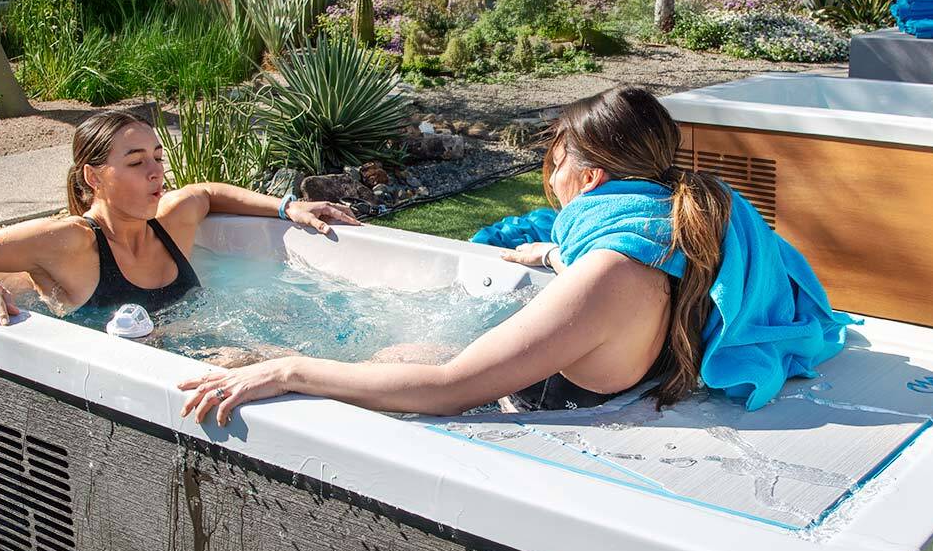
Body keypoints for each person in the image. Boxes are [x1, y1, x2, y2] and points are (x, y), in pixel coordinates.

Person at [179, 85, 848, 423]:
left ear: (590, 180)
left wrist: (290, 371)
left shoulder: (612, 272)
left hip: (515, 408)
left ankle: (256, 361)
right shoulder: (682, 224)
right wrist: (551, 256)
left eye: (554, 164)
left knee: (366, 361)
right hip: (579, 378)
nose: (549, 181)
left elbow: (448, 390)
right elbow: (599, 275)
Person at [0, 106, 360, 341]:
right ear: (94, 176)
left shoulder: (168, 222)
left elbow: (208, 193)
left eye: (157, 156)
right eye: (136, 162)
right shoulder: (71, 241)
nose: (157, 172)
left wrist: (288, 208)